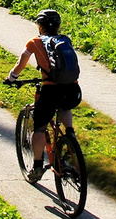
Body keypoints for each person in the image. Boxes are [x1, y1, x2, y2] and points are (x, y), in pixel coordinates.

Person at [7, 9, 82, 183]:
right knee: (64, 106)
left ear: (39, 26)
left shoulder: (33, 42)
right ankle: (70, 135)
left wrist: (11, 78)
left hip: (50, 91)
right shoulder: (65, 41)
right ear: (58, 26)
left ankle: (38, 166)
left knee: (40, 127)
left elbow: (21, 64)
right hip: (73, 90)